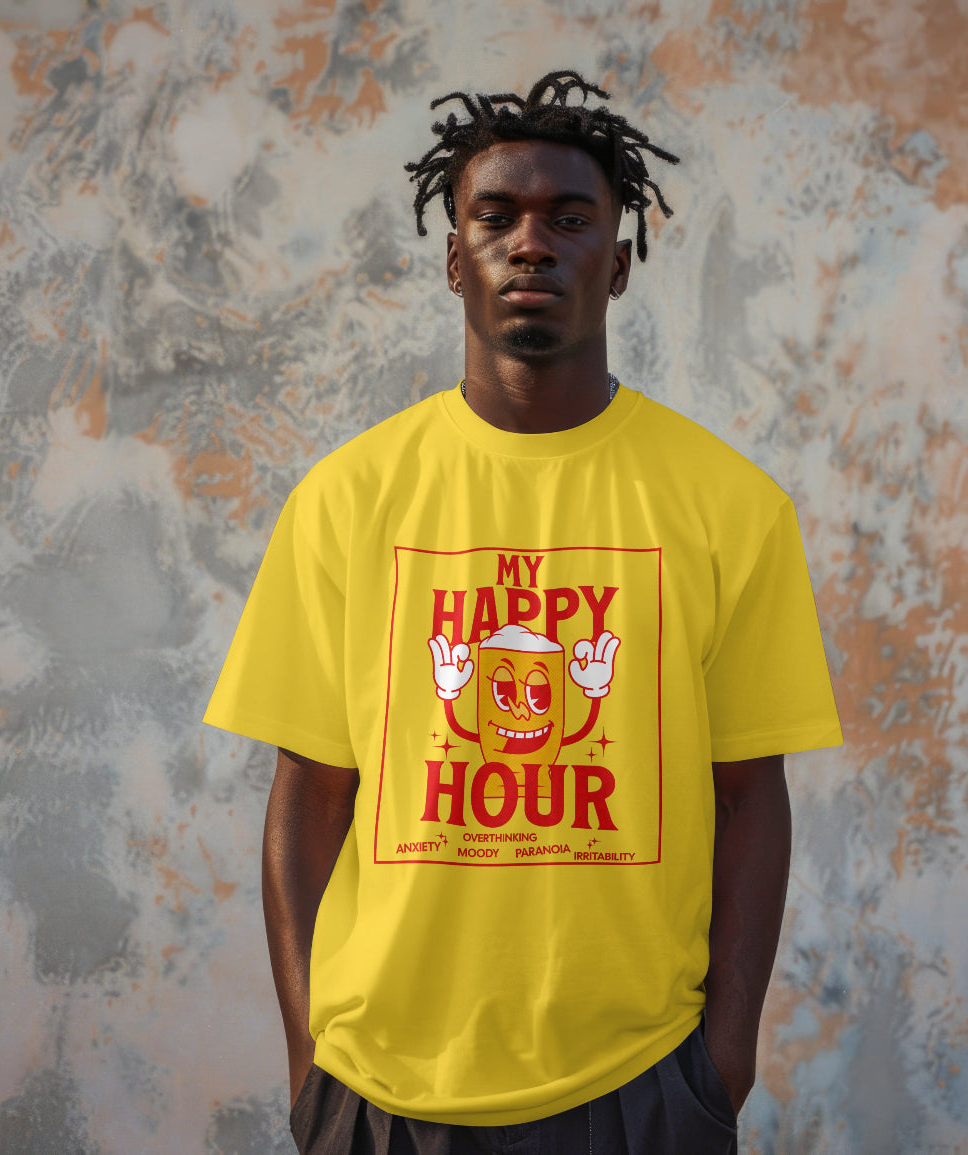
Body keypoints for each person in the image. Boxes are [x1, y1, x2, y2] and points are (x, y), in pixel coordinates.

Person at [204, 70, 842, 1155]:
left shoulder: (730, 506)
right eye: (495, 217)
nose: (532, 243)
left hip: (639, 1081)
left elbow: (750, 801)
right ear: (455, 261)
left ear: (621, 265)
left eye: (572, 218)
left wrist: (719, 1067)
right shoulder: (346, 501)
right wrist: (312, 1062)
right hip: (382, 1087)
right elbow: (309, 793)